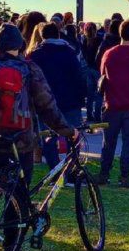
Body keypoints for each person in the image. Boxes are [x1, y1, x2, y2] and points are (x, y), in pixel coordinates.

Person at [0, 24, 76, 251]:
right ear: (21, 45)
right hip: (21, 142)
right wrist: (68, 130)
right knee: (17, 195)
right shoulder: (30, 69)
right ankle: (12, 247)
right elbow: (47, 106)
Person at [28, 23, 86, 171]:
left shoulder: (36, 55)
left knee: (48, 137)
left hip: (45, 102)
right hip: (70, 100)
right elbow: (79, 76)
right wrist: (82, 97)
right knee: (73, 136)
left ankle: (54, 169)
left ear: (42, 36)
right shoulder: (70, 52)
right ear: (59, 34)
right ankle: (71, 169)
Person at [95, 20, 129, 188]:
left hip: (111, 103)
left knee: (108, 142)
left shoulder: (109, 53)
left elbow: (102, 75)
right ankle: (124, 175)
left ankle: (104, 173)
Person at [81, 22, 103, 124]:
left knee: (90, 94)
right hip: (97, 69)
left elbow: (84, 56)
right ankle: (98, 115)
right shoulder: (99, 40)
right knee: (99, 94)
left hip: (89, 68)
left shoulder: (85, 41)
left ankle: (89, 115)